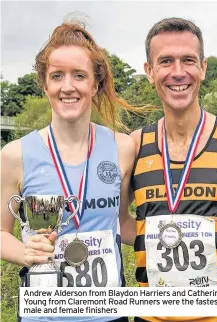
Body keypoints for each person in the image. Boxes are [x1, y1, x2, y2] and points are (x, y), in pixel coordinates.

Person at [1, 17, 137, 322]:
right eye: (57, 75)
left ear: (95, 82)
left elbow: (124, 221)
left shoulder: (123, 148)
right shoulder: (14, 155)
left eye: (79, 75)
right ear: (45, 83)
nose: (68, 87)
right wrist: (25, 252)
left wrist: (183, 231)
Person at [130, 17, 217, 322]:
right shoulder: (134, 146)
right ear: (150, 71)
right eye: (166, 61)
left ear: (202, 67)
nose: (178, 72)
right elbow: (115, 217)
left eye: (187, 60)